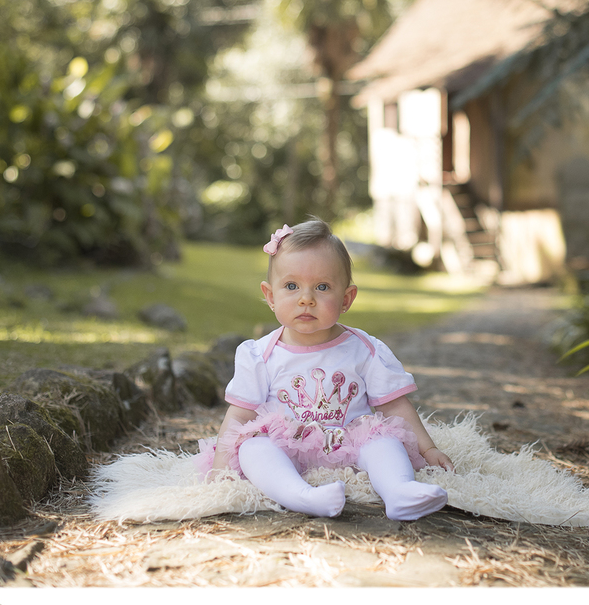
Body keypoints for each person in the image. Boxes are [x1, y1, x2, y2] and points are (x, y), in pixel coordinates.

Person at [193, 218, 452, 520]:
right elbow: (239, 415)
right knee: (252, 448)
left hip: (349, 441)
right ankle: (300, 495)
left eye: (322, 287)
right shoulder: (259, 355)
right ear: (271, 296)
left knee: (385, 441)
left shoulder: (364, 349)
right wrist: (221, 469)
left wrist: (427, 449)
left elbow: (395, 406)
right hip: (286, 445)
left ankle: (399, 491)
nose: (306, 298)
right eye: (291, 286)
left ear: (346, 299)